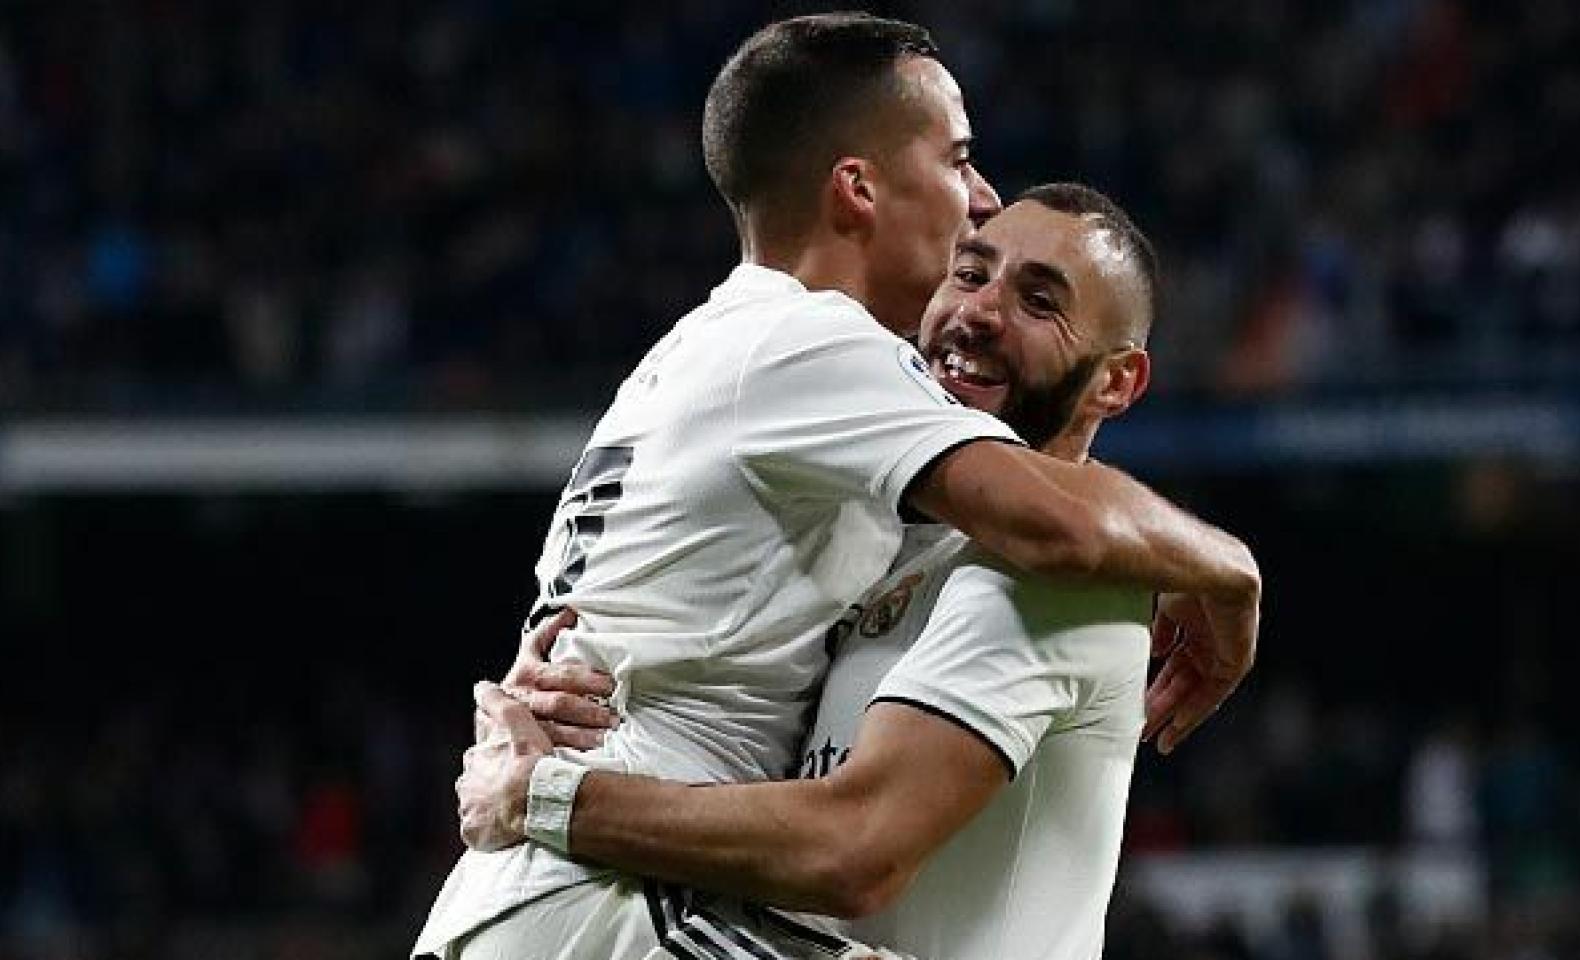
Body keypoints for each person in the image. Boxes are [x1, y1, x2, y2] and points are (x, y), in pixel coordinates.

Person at [414, 13, 1260, 960]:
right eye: (958, 161)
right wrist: (1230, 571)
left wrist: (537, 774)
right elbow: (1064, 523)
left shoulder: (729, 366)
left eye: (1038, 300)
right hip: (616, 903)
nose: (977, 199)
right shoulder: (818, 349)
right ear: (858, 187)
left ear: (1119, 377)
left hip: (576, 888)